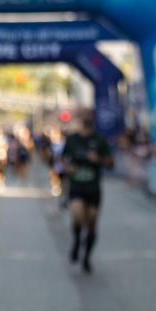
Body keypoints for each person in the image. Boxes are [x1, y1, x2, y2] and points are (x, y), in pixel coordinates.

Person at [62, 109, 113, 273]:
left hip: (93, 188)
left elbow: (111, 163)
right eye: (83, 116)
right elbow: (63, 159)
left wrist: (98, 159)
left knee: (91, 223)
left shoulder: (99, 140)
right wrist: (67, 167)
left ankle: (86, 258)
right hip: (76, 187)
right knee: (77, 215)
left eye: (88, 116)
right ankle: (77, 241)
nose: (85, 119)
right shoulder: (72, 140)